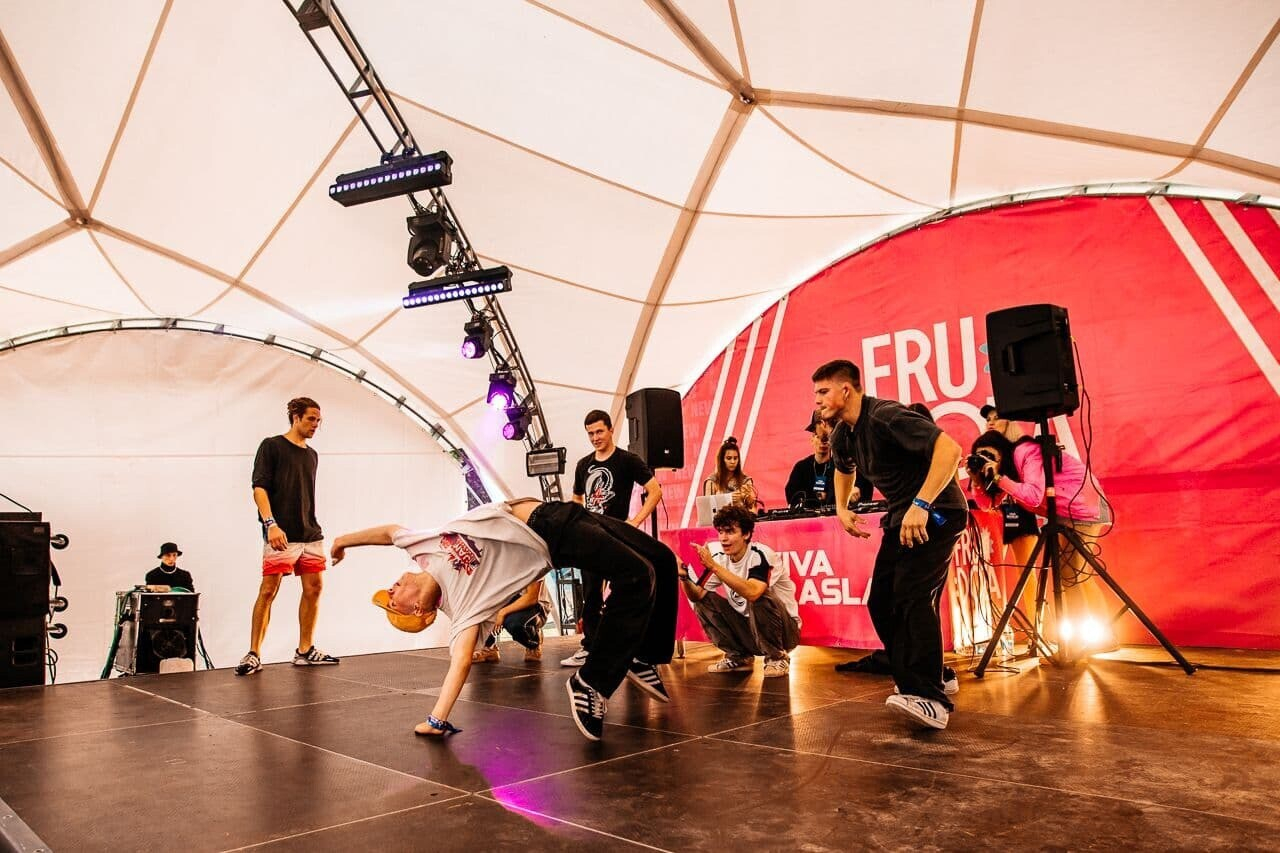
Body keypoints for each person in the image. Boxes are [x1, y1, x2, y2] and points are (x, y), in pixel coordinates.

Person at [331, 498, 678, 741]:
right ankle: (591, 682)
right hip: (550, 537)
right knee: (637, 574)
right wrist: (437, 720)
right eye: (393, 601)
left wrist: (342, 541)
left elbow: (388, 532)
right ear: (419, 611)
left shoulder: (420, 548)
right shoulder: (463, 609)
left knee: (661, 559)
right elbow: (460, 663)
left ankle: (644, 654)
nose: (391, 588)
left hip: (556, 511)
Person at [814, 359, 967, 730]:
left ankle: (930, 698)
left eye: (823, 391)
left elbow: (950, 450)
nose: (817, 400)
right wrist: (842, 507)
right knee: (882, 601)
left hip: (938, 511)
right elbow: (844, 469)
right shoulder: (843, 435)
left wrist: (922, 504)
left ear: (845, 390)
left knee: (912, 596)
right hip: (903, 517)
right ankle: (931, 674)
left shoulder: (885, 416)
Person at [969, 429, 1114, 652]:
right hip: (1066, 513)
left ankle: (1081, 644)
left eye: (989, 455)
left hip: (1084, 506)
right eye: (980, 457)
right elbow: (988, 506)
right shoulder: (1007, 472)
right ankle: (1096, 640)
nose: (986, 461)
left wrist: (998, 478)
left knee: (1071, 574)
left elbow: (1034, 496)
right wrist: (978, 480)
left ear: (1003, 451)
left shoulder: (1025, 452)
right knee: (1072, 574)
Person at [234, 397, 338, 676]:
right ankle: (253, 653)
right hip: (281, 532)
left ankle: (305, 650)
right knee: (268, 590)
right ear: (296, 417)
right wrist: (271, 524)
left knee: (314, 589)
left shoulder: (312, 455)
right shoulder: (272, 446)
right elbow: (259, 488)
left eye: (318, 421)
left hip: (310, 533)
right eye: (311, 419)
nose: (315, 425)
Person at [565, 409, 662, 667]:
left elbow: (655, 491)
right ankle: (590, 647)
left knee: (625, 590)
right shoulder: (583, 465)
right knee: (590, 593)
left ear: (610, 430)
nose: (595, 437)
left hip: (617, 535)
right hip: (590, 535)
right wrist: (578, 523)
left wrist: (635, 522)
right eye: (590, 434)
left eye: (599, 431)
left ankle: (627, 646)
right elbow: (577, 498)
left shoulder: (627, 460)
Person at [682, 504, 800, 676]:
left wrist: (714, 567)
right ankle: (739, 657)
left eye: (730, 532)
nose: (723, 538)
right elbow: (696, 595)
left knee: (760, 596)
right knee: (703, 602)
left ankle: (777, 658)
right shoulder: (720, 559)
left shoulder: (761, 554)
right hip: (749, 630)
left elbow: (753, 592)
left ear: (746, 534)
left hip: (785, 634)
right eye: (720, 532)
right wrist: (683, 576)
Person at [785, 413, 873, 508]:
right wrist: (814, 498)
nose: (823, 441)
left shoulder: (844, 462)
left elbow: (865, 484)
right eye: (818, 436)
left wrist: (857, 490)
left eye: (826, 437)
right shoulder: (801, 468)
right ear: (812, 439)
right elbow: (792, 495)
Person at [470, 578, 553, 663]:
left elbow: (531, 598)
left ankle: (533, 642)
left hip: (535, 604)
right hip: (509, 600)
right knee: (480, 606)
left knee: (514, 624)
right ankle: (489, 647)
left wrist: (502, 613)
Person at [702, 436, 757, 512]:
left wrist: (746, 498)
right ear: (722, 460)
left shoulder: (745, 481)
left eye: (735, 458)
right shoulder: (712, 481)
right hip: (720, 519)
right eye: (729, 458)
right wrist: (726, 499)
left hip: (742, 518)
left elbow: (753, 509)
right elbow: (707, 510)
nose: (732, 462)